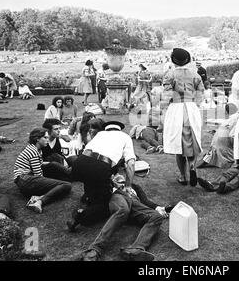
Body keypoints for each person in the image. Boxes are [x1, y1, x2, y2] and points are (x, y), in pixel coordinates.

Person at [72, 121, 162, 261]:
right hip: (114, 190)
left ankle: (136, 249)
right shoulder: (124, 137)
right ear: (120, 130)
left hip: (80, 164)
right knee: (122, 209)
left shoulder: (100, 135)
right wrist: (127, 185)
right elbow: (130, 164)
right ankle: (95, 248)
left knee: (156, 216)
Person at [163, 48, 204, 187]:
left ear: (173, 60)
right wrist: (194, 104)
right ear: (187, 60)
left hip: (177, 107)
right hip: (191, 107)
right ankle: (192, 165)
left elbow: (167, 94)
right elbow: (201, 92)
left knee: (178, 144)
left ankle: (182, 176)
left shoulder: (170, 74)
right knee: (192, 139)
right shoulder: (195, 74)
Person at [13, 128, 72, 214]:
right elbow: (38, 175)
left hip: (23, 180)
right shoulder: (33, 151)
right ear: (37, 139)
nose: (48, 140)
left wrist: (54, 165)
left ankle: (38, 197)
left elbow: (41, 164)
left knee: (53, 167)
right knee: (66, 185)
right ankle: (39, 201)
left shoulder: (34, 148)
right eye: (45, 137)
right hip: (26, 180)